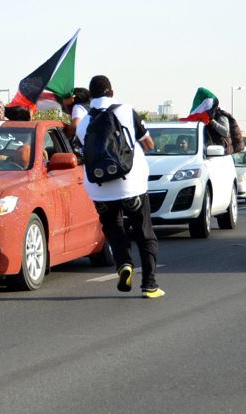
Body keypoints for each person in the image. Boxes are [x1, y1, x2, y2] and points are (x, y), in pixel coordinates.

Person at [76, 75, 164, 299]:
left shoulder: (84, 122)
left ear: (91, 95)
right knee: (144, 232)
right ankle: (150, 285)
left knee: (114, 229)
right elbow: (148, 143)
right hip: (131, 185)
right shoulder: (126, 110)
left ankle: (124, 264)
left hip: (99, 187)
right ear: (111, 92)